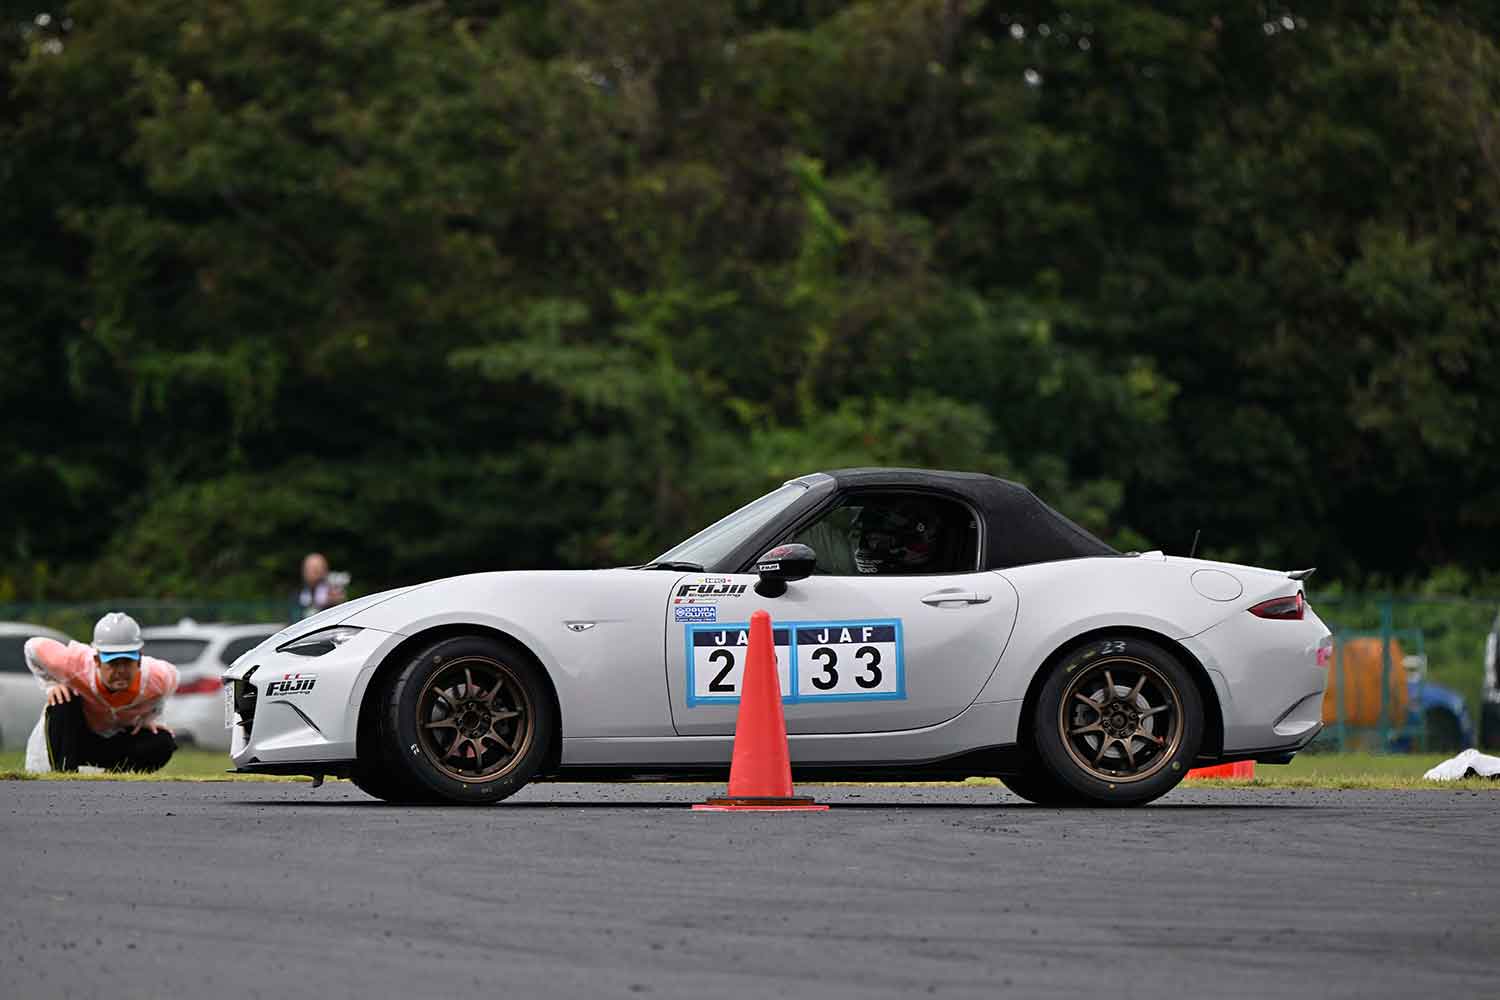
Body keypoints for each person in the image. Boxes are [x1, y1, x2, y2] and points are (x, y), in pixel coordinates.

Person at [23, 612, 179, 773]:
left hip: (114, 741)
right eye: (112, 663)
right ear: (97, 660)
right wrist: (51, 684)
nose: (120, 671)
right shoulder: (75, 663)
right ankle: (64, 774)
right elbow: (32, 647)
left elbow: (167, 688)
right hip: (74, 741)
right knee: (63, 700)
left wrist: (150, 716)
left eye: (127, 662)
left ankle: (117, 778)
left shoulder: (160, 676)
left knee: (163, 741)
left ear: (139, 658)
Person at [295, 552, 347, 620]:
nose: (315, 571)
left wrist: (337, 604)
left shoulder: (333, 593)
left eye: (318, 568)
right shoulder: (297, 595)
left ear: (325, 570)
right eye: (310, 568)